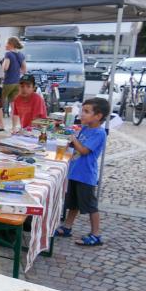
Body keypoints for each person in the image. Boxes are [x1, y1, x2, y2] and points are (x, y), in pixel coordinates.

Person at [54, 98, 110, 247]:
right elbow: (76, 144)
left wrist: (73, 139)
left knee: (90, 205)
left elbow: (84, 150)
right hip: (74, 172)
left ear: (98, 116)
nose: (82, 114)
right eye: (82, 110)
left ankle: (96, 234)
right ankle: (67, 226)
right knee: (73, 203)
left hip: (85, 176)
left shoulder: (99, 133)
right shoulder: (85, 128)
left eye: (86, 111)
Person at [0, 36, 27, 127]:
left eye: (6, 43)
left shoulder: (8, 54)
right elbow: (24, 70)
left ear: (11, 44)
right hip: (16, 83)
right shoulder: (21, 55)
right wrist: (16, 72)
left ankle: (1, 125)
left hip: (7, 82)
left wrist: (2, 67)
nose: (5, 45)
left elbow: (5, 67)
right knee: (14, 107)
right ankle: (14, 127)